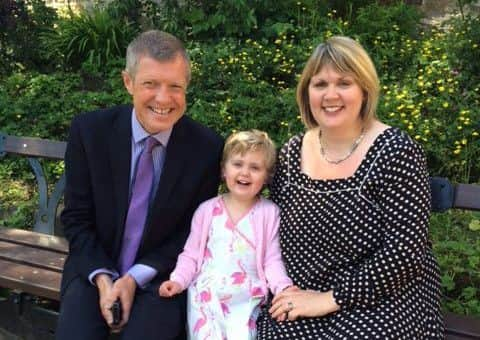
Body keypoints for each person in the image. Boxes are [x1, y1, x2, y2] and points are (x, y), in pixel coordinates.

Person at [256, 36, 444, 339]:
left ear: (365, 90)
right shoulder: (290, 154)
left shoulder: (395, 151)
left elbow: (405, 252)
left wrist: (329, 300)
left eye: (344, 83)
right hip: (302, 294)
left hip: (383, 296)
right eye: (320, 84)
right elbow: (269, 229)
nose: (331, 95)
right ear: (307, 93)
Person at [56, 30, 223, 340]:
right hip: (94, 268)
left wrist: (133, 279)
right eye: (150, 84)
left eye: (175, 86)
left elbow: (192, 232)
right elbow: (76, 219)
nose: (163, 98)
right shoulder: (90, 132)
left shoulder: (206, 148)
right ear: (128, 82)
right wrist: (106, 281)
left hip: (161, 275)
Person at [158, 130, 292, 339]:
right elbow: (191, 255)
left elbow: (272, 260)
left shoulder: (269, 213)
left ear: (267, 176)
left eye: (255, 168)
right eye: (237, 164)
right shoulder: (207, 210)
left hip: (246, 297)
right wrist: (178, 280)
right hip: (206, 295)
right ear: (223, 170)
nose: (245, 173)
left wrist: (283, 288)